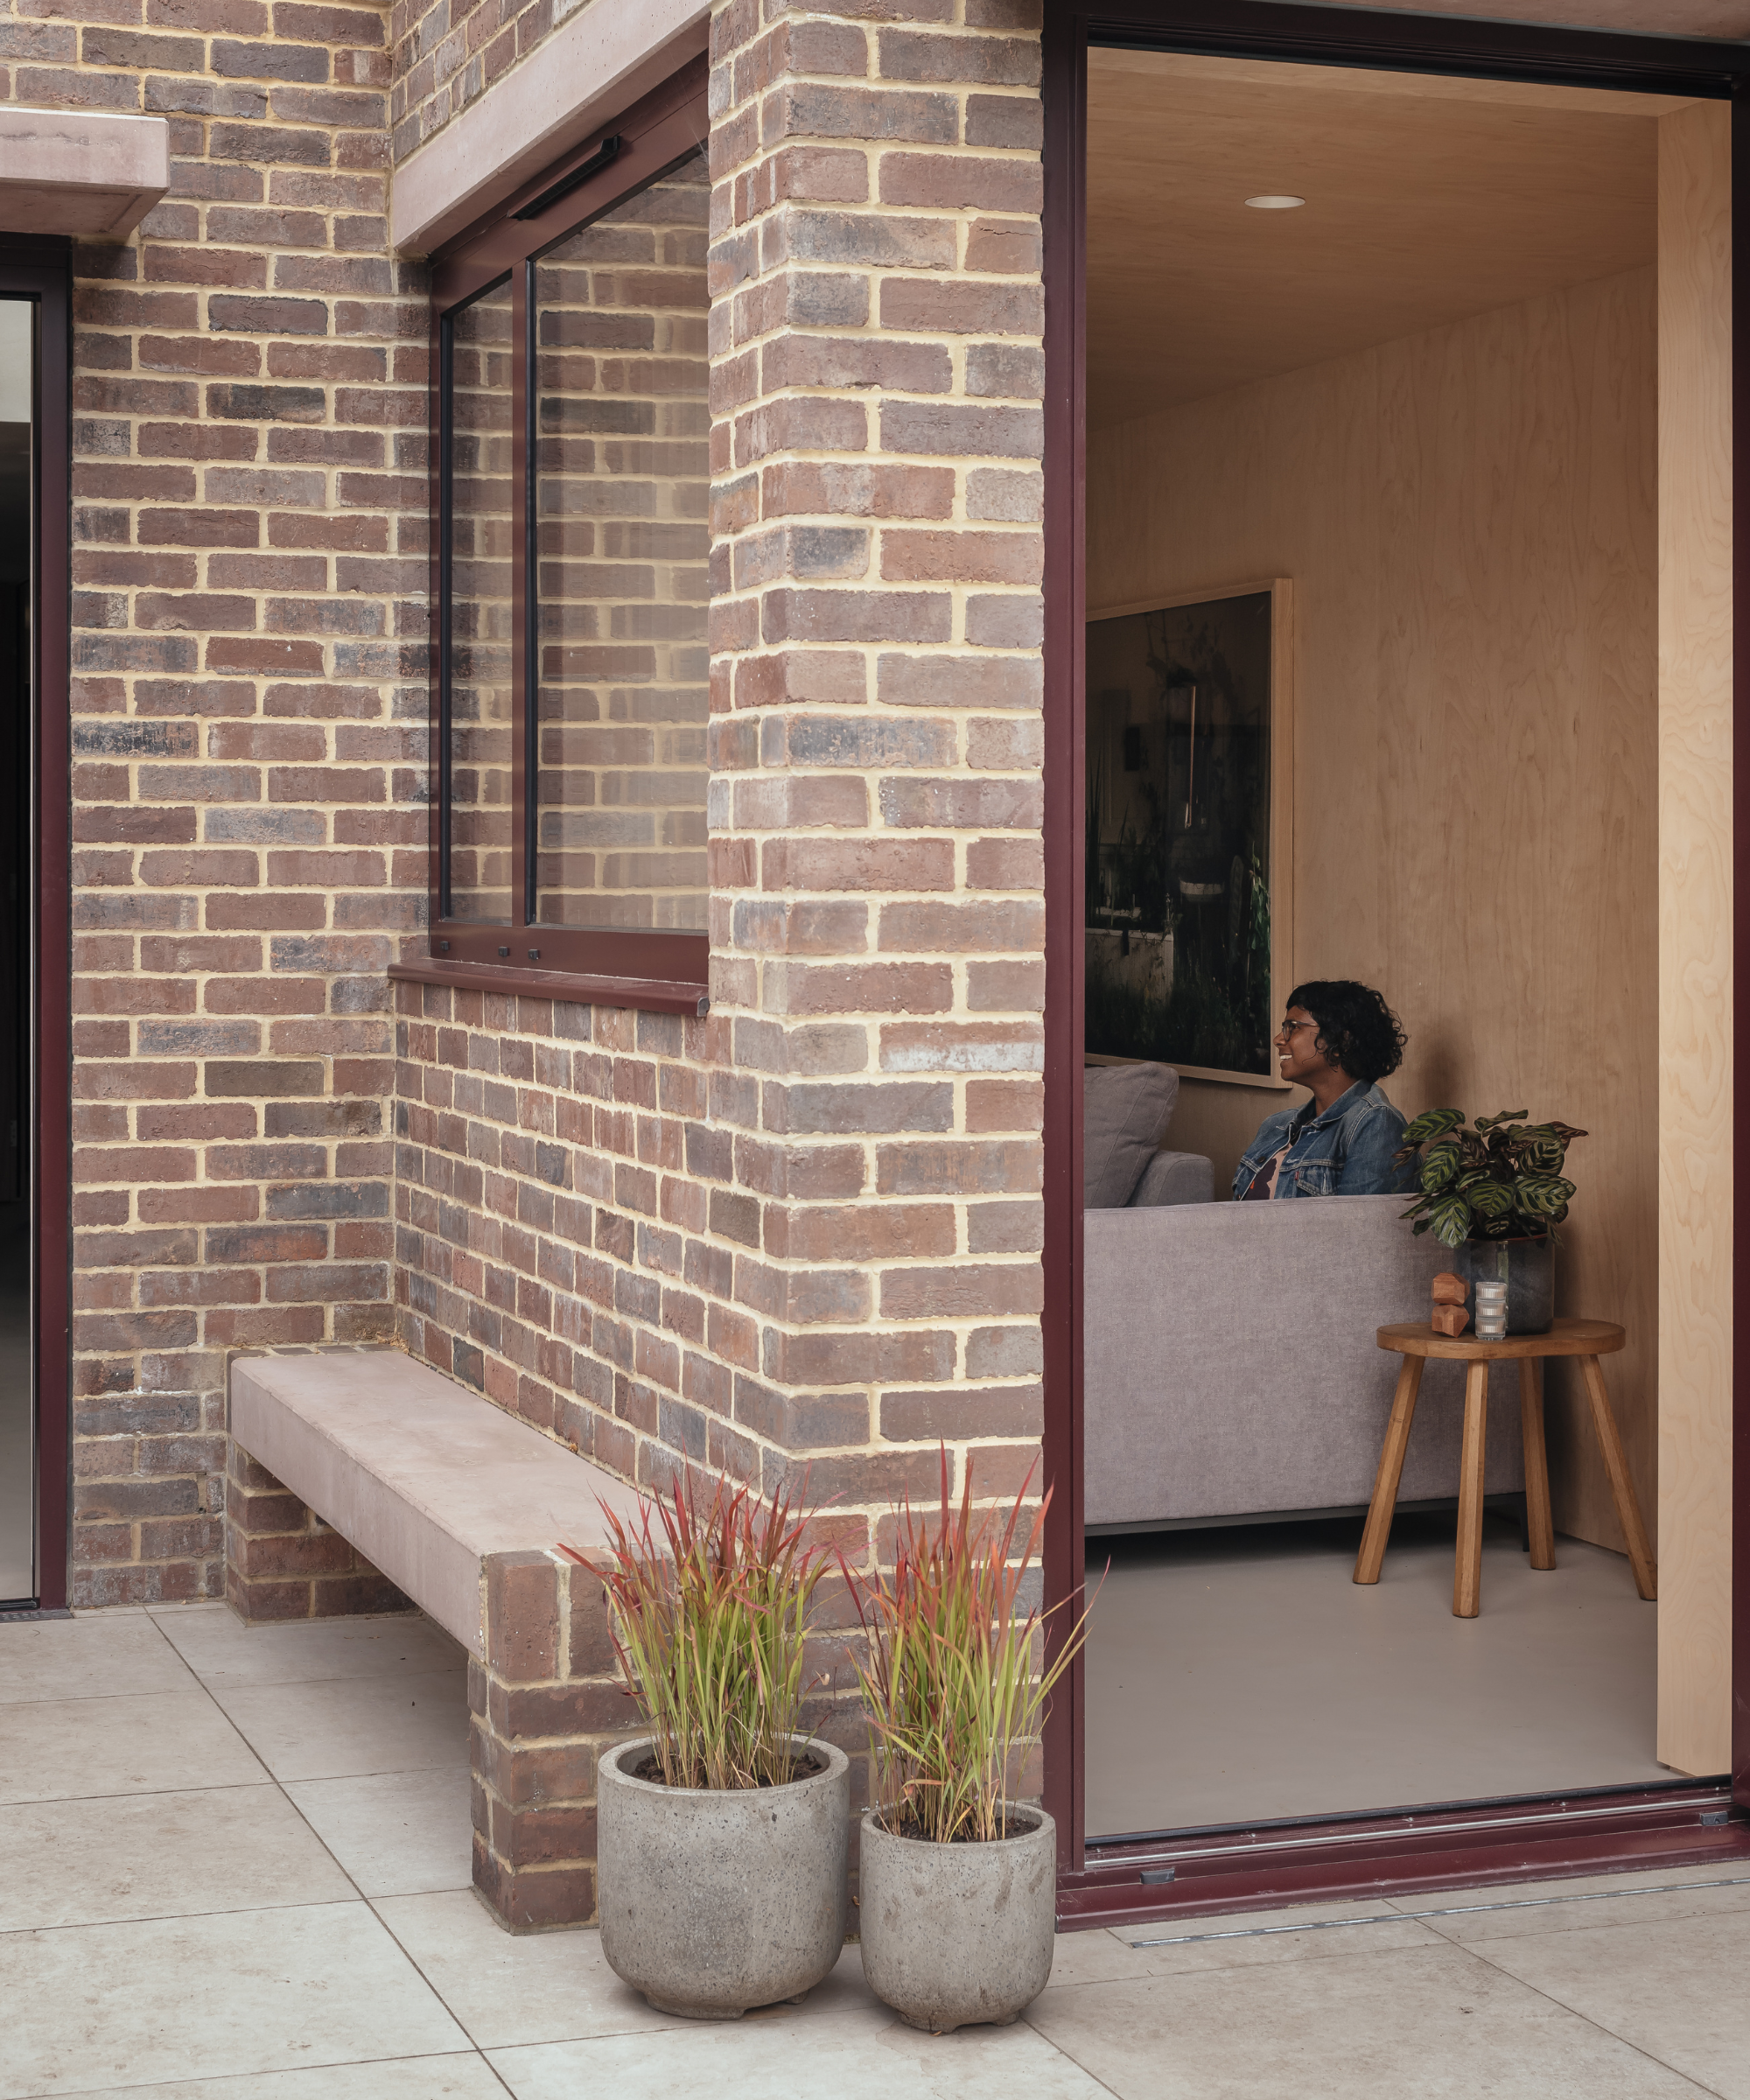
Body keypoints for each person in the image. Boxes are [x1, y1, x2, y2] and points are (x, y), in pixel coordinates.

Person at [1232, 981, 1412, 1200]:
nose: (1278, 1040)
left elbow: (1362, 1231)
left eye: (1293, 1027)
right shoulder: (1276, 1126)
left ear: (1341, 1041)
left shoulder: (1374, 1125)